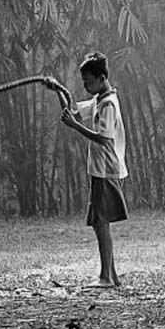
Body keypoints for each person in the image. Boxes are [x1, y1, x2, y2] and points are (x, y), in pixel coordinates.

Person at [46, 51, 128, 287]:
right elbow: (72, 113)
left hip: (106, 168)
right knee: (100, 222)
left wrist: (75, 127)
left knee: (101, 222)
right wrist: (59, 90)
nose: (86, 86)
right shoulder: (100, 100)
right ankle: (111, 276)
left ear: (102, 78)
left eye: (88, 82)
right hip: (100, 169)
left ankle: (106, 277)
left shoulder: (108, 104)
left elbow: (104, 139)